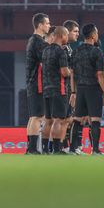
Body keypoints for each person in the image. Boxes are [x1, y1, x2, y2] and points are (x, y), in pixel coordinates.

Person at [70, 24, 104, 156]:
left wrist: (73, 92)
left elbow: (72, 73)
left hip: (80, 88)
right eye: (97, 32)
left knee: (77, 119)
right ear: (93, 35)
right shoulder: (96, 51)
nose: (97, 35)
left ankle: (72, 149)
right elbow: (100, 74)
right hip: (93, 88)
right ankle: (95, 150)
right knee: (95, 120)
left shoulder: (76, 51)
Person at [41, 26, 71, 154]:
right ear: (62, 36)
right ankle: (57, 149)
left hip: (46, 88)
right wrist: (72, 73)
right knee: (59, 119)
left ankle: (44, 149)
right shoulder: (61, 52)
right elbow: (64, 72)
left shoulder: (45, 50)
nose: (67, 38)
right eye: (67, 35)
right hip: (59, 89)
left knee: (48, 120)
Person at [25, 13, 50, 155]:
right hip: (37, 82)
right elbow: (46, 60)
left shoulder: (32, 40)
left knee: (33, 116)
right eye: (47, 23)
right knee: (38, 116)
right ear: (40, 25)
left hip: (31, 82)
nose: (49, 26)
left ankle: (31, 148)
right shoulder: (38, 41)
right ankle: (33, 148)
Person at [59, 20, 79, 152]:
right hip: (62, 88)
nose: (77, 34)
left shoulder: (68, 48)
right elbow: (67, 71)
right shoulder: (63, 48)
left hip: (66, 88)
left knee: (68, 119)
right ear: (67, 32)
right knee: (63, 119)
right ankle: (60, 147)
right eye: (75, 31)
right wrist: (73, 91)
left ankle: (65, 146)